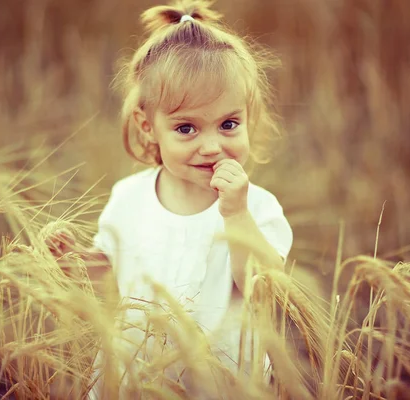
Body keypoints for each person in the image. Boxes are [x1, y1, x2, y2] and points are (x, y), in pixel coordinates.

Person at [46, 0, 293, 396]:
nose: (212, 146)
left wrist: (237, 215)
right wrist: (75, 261)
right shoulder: (128, 199)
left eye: (229, 124)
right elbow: (112, 281)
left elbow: (266, 290)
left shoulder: (257, 206)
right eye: (186, 128)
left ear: (249, 116)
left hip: (222, 386)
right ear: (148, 127)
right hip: (136, 381)